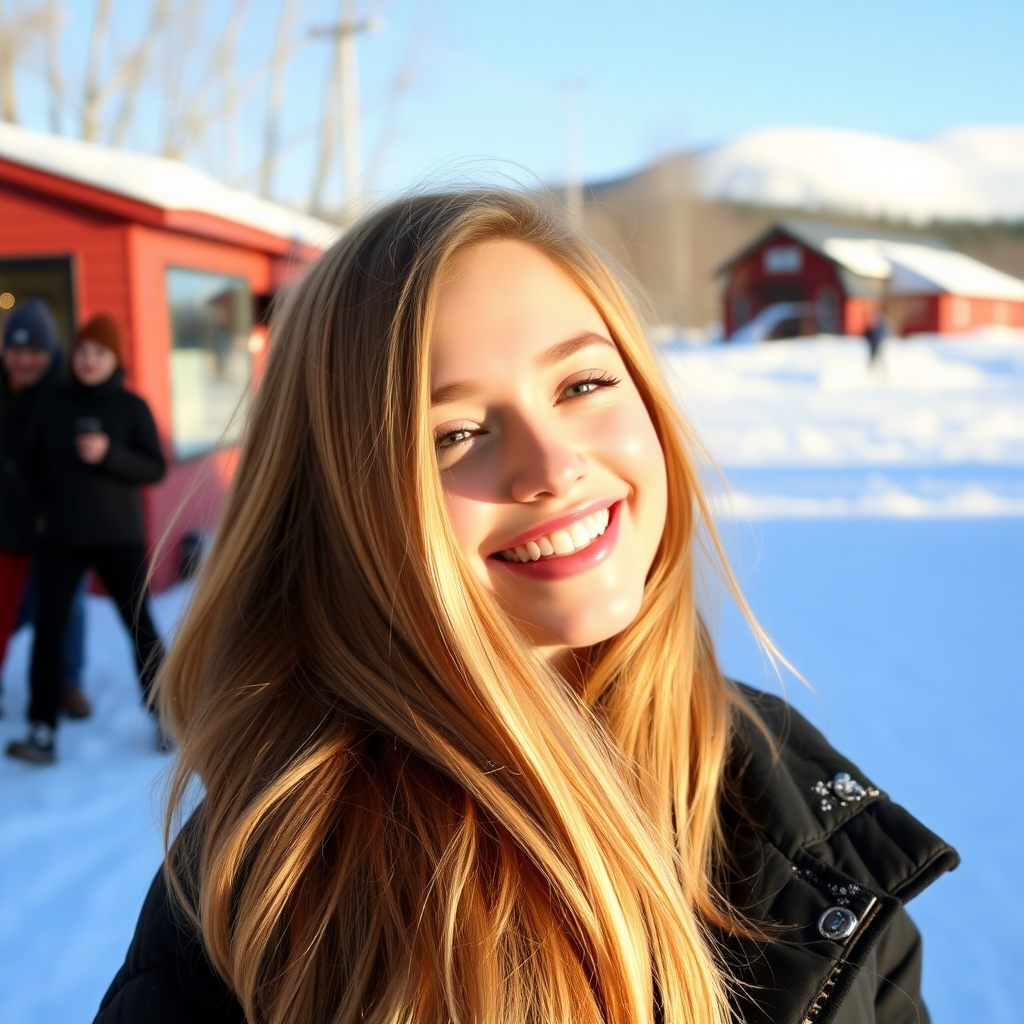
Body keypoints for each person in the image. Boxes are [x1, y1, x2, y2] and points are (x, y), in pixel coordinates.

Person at [96, 191, 957, 1024]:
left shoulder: (785, 793)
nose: (551, 465)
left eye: (581, 384)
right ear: (339, 511)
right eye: (455, 434)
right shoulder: (271, 891)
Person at [5, 313, 166, 764]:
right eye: (82, 352)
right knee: (49, 631)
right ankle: (41, 730)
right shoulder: (54, 403)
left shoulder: (131, 406)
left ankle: (165, 716)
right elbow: (26, 461)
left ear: (114, 358)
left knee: (141, 628)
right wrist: (41, 512)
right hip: (62, 536)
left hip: (119, 537)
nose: (89, 360)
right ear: (72, 356)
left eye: (99, 353)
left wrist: (109, 454)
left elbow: (154, 468)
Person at [0, 300, 90, 718]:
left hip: (61, 521)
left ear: (49, 352)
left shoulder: (67, 392)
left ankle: (68, 682)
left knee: (68, 605)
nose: (23, 359)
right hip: (10, 519)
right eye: (15, 350)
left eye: (32, 351)